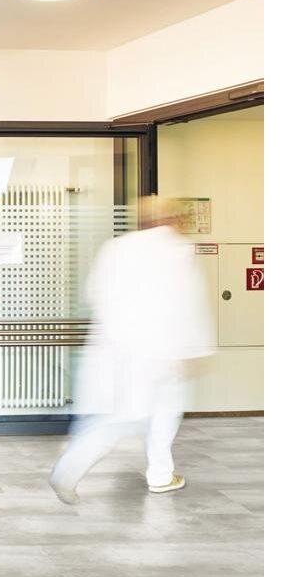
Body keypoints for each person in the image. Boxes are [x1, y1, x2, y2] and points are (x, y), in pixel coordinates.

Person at [49, 196, 214, 505]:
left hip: (116, 350)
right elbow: (189, 303)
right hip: (164, 353)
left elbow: (93, 294)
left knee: (126, 415)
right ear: (172, 219)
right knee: (156, 415)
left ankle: (158, 474)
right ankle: (77, 469)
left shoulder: (116, 248)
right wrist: (198, 350)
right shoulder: (179, 250)